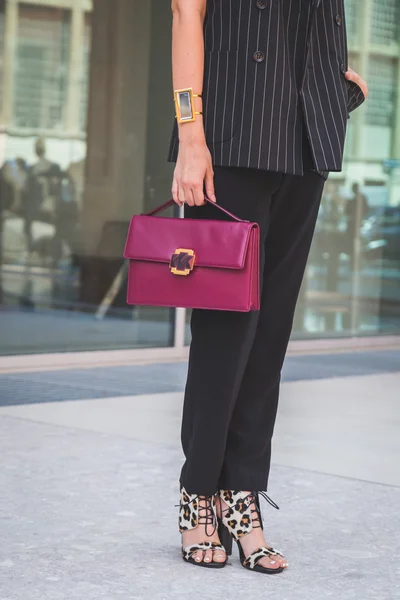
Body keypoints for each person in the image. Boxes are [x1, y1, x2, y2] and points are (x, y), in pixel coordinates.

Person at [168, 0, 368, 573]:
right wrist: (189, 136)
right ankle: (198, 492)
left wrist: (338, 91)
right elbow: (187, 14)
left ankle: (243, 495)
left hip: (304, 143)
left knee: (269, 336)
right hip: (227, 141)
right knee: (226, 333)